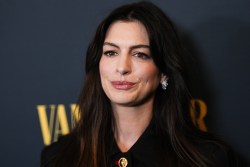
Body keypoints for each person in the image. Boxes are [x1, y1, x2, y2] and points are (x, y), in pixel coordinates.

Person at [40, 1, 238, 167]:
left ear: (164, 73)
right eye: (111, 52)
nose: (122, 67)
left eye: (139, 54)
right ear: (98, 64)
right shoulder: (58, 158)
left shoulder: (210, 159)